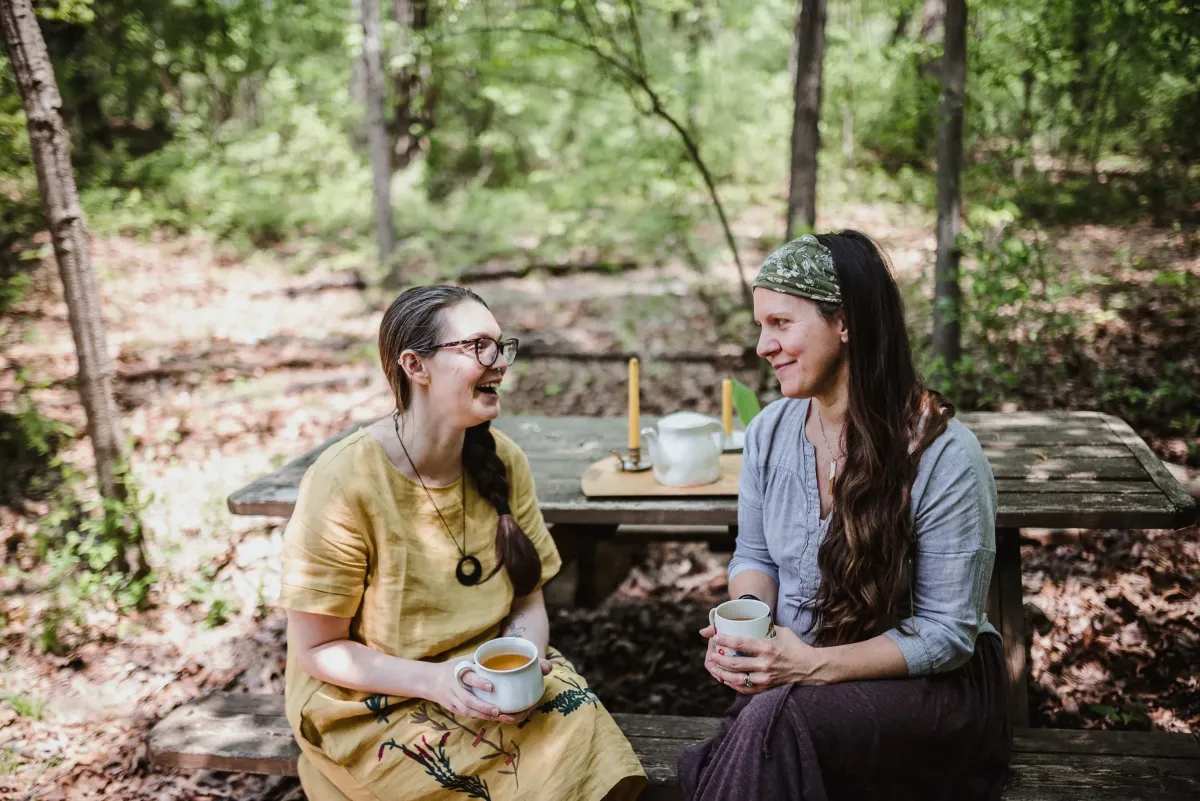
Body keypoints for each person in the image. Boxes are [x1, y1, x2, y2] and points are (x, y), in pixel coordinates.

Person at [279, 285, 646, 801]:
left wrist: (522, 663)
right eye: (478, 347)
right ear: (415, 365)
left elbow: (528, 600)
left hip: (484, 676)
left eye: (501, 346)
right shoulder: (344, 480)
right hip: (374, 698)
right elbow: (318, 649)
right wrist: (435, 681)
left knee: (584, 730)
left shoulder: (505, 460)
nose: (500, 363)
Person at [679, 232, 1011, 800]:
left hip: (931, 693)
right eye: (760, 325)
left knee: (771, 729)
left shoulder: (945, 456)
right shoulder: (769, 433)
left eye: (781, 323)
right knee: (772, 728)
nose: (762, 346)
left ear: (846, 322)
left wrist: (809, 665)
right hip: (803, 693)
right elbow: (755, 555)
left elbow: (946, 635)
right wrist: (750, 629)